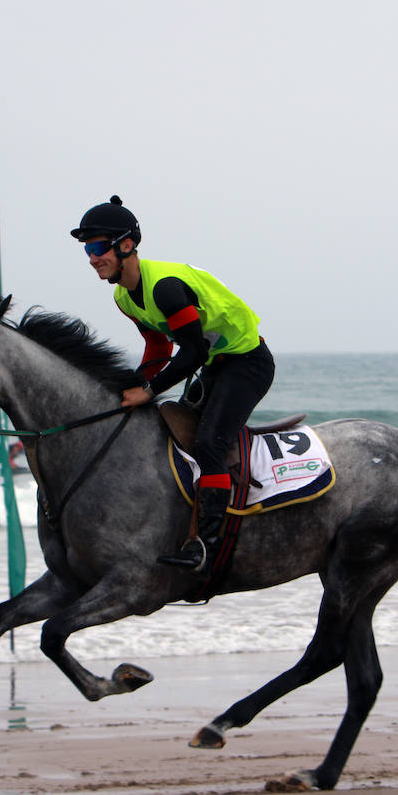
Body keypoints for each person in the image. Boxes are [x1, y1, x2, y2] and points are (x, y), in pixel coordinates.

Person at [72, 195, 274, 572]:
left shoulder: (164, 288)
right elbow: (159, 344)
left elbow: (193, 350)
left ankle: (207, 548)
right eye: (87, 249)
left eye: (98, 247)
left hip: (248, 364)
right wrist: (133, 386)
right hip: (216, 365)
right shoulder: (124, 296)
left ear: (126, 245)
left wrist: (149, 390)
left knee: (209, 445)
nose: (92, 257)